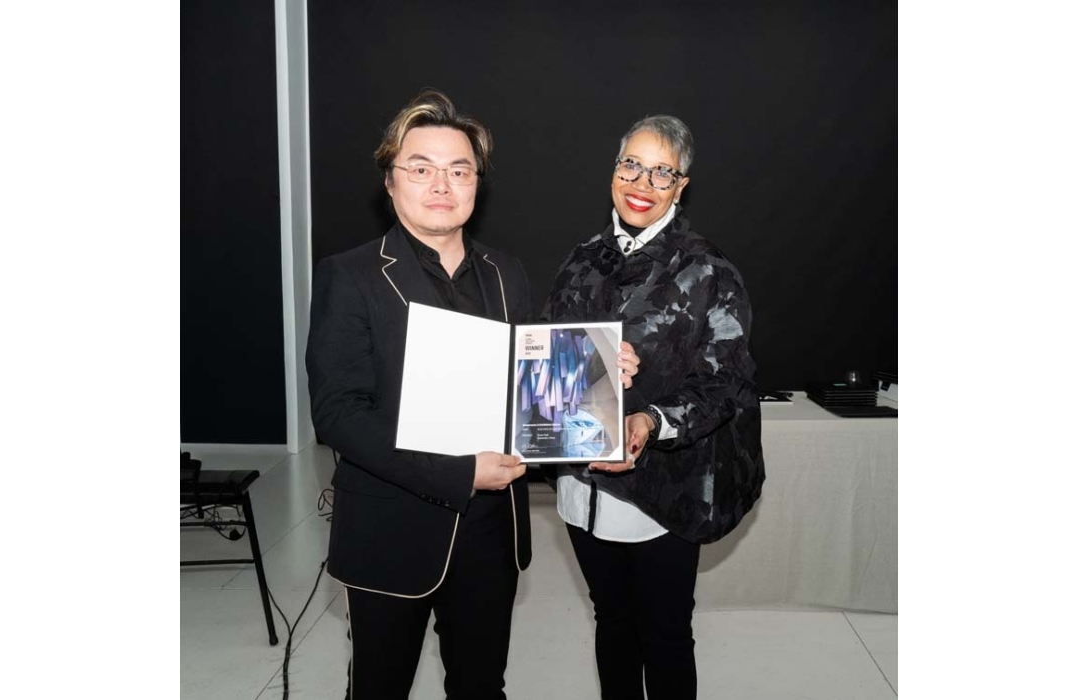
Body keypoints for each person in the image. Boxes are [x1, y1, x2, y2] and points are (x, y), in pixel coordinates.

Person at [305, 90, 535, 700]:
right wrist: (459, 472)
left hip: (492, 531)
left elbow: (528, 387)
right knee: (379, 689)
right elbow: (338, 414)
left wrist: (593, 374)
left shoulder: (506, 273)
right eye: (422, 168)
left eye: (459, 170)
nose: (442, 184)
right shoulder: (350, 276)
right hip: (391, 528)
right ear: (391, 181)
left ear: (476, 184)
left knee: (482, 687)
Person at [544, 115, 766, 700]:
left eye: (662, 171)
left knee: (664, 634)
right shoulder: (582, 258)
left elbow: (728, 383)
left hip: (664, 491)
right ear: (614, 171)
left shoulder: (708, 271)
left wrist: (652, 417)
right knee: (610, 622)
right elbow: (548, 356)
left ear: (681, 186)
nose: (642, 181)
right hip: (581, 484)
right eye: (631, 165)